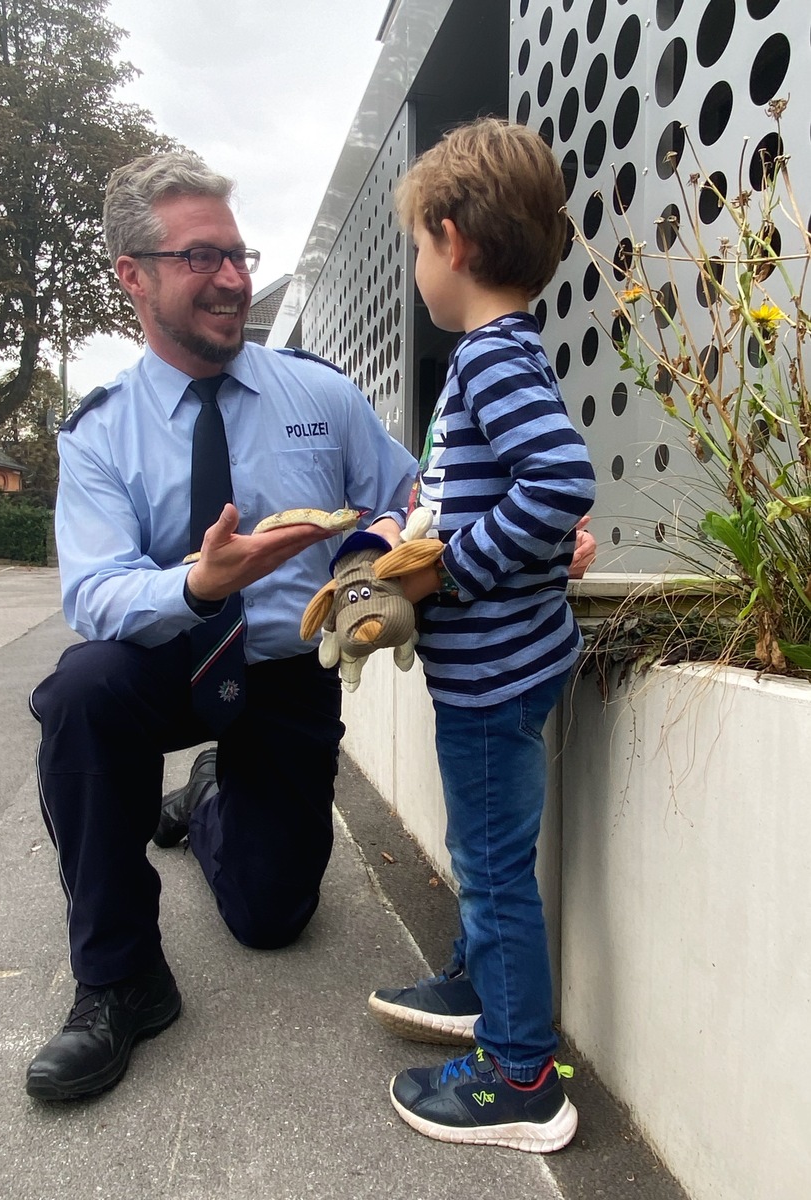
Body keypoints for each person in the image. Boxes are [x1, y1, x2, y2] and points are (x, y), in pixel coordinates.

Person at [25, 150, 419, 1101]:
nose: (235, 279)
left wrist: (531, 523)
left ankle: (208, 797)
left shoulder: (317, 394)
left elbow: (412, 493)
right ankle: (120, 981)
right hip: (168, 663)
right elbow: (96, 593)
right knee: (79, 694)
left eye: (239, 254)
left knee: (272, 918)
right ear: (135, 274)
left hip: (285, 673)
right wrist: (197, 586)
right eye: (203, 257)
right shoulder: (100, 432)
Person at [363, 118, 596, 1152]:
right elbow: (518, 493)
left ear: (452, 242)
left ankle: (520, 1078)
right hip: (503, 665)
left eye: (415, 246)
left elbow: (558, 482)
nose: (417, 266)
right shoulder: (496, 357)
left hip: (492, 679)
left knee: (495, 864)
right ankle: (474, 979)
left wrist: (453, 565)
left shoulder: (490, 358)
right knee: (487, 852)